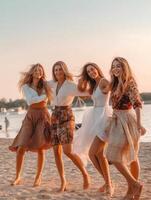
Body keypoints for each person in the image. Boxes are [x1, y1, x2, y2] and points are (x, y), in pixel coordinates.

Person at [106, 57, 146, 200]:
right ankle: (134, 185)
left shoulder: (130, 82)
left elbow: (137, 104)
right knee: (114, 155)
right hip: (116, 120)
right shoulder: (115, 83)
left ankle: (132, 188)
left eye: (119, 66)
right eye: (113, 66)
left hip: (127, 120)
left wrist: (140, 124)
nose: (116, 69)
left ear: (125, 67)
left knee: (130, 156)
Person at [48, 61, 90, 192]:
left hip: (67, 116)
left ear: (64, 70)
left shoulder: (71, 85)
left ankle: (85, 175)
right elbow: (37, 83)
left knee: (68, 151)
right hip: (54, 115)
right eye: (55, 70)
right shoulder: (51, 84)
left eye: (60, 69)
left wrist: (84, 81)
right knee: (56, 151)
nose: (58, 72)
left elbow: (87, 93)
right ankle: (63, 181)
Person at [73, 62, 114, 197]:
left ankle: (108, 183)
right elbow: (81, 92)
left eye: (92, 69)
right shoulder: (95, 84)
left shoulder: (102, 81)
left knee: (93, 153)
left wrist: (112, 83)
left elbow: (111, 88)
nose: (91, 72)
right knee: (98, 154)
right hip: (95, 117)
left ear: (97, 68)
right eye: (89, 72)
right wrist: (82, 81)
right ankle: (108, 182)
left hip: (103, 117)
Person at [9, 63, 52, 187]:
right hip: (31, 115)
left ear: (43, 73)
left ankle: (38, 177)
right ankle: (18, 176)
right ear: (32, 72)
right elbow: (30, 100)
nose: (38, 72)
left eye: (40, 70)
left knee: (41, 147)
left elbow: (41, 98)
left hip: (43, 115)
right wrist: (44, 96)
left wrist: (42, 97)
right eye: (36, 70)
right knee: (21, 146)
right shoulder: (25, 87)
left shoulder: (46, 85)